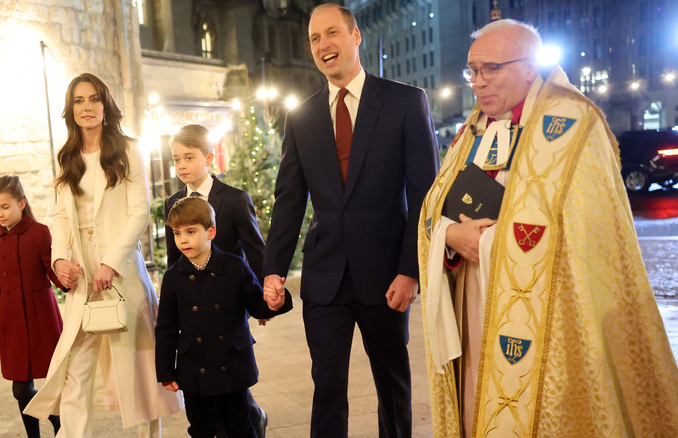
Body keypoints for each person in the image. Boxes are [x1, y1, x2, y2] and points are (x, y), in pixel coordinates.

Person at [418, 19, 678, 437]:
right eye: (472, 71)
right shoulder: (472, 131)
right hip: (472, 297)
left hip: (549, 316)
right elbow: (434, 206)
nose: (478, 82)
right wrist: (449, 237)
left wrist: (487, 243)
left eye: (491, 69)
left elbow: (586, 232)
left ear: (528, 66)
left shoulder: (575, 124)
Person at [262, 4, 440, 437]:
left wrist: (410, 270)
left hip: (386, 277)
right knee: (326, 388)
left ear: (355, 36)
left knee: (392, 385)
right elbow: (288, 199)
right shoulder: (301, 116)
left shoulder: (403, 102)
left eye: (332, 34)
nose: (323, 45)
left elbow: (425, 195)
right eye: (314, 39)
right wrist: (273, 270)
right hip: (325, 279)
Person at [23, 73, 183, 437]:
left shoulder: (128, 149)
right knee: (76, 367)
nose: (87, 107)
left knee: (135, 367)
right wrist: (59, 260)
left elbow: (139, 213)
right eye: (79, 101)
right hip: (82, 275)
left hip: (121, 271)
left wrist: (111, 262)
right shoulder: (67, 155)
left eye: (94, 99)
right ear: (71, 109)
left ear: (105, 106)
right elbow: (63, 215)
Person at [164, 124, 269, 436]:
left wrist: (263, 297)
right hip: (194, 302)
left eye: (188, 157)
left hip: (230, 299)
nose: (181, 165)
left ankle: (249, 420)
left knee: (229, 367)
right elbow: (174, 259)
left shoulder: (234, 199)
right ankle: (251, 418)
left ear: (208, 157)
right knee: (208, 371)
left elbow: (256, 250)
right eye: (175, 159)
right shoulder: (173, 203)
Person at [156, 197, 292, 437]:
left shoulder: (234, 266)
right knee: (201, 428)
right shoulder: (173, 277)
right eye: (177, 233)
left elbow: (256, 306)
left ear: (211, 231)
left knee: (239, 425)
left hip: (231, 363)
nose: (183, 239)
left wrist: (275, 302)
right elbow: (166, 328)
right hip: (194, 366)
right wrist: (166, 370)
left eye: (190, 231)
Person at [0, 175, 63, 437]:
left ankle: (59, 421)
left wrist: (69, 281)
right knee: (20, 388)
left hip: (42, 316)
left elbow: (52, 270)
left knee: (56, 378)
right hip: (11, 321)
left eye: (5, 207)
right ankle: (45, 425)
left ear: (21, 204)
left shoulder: (40, 233)